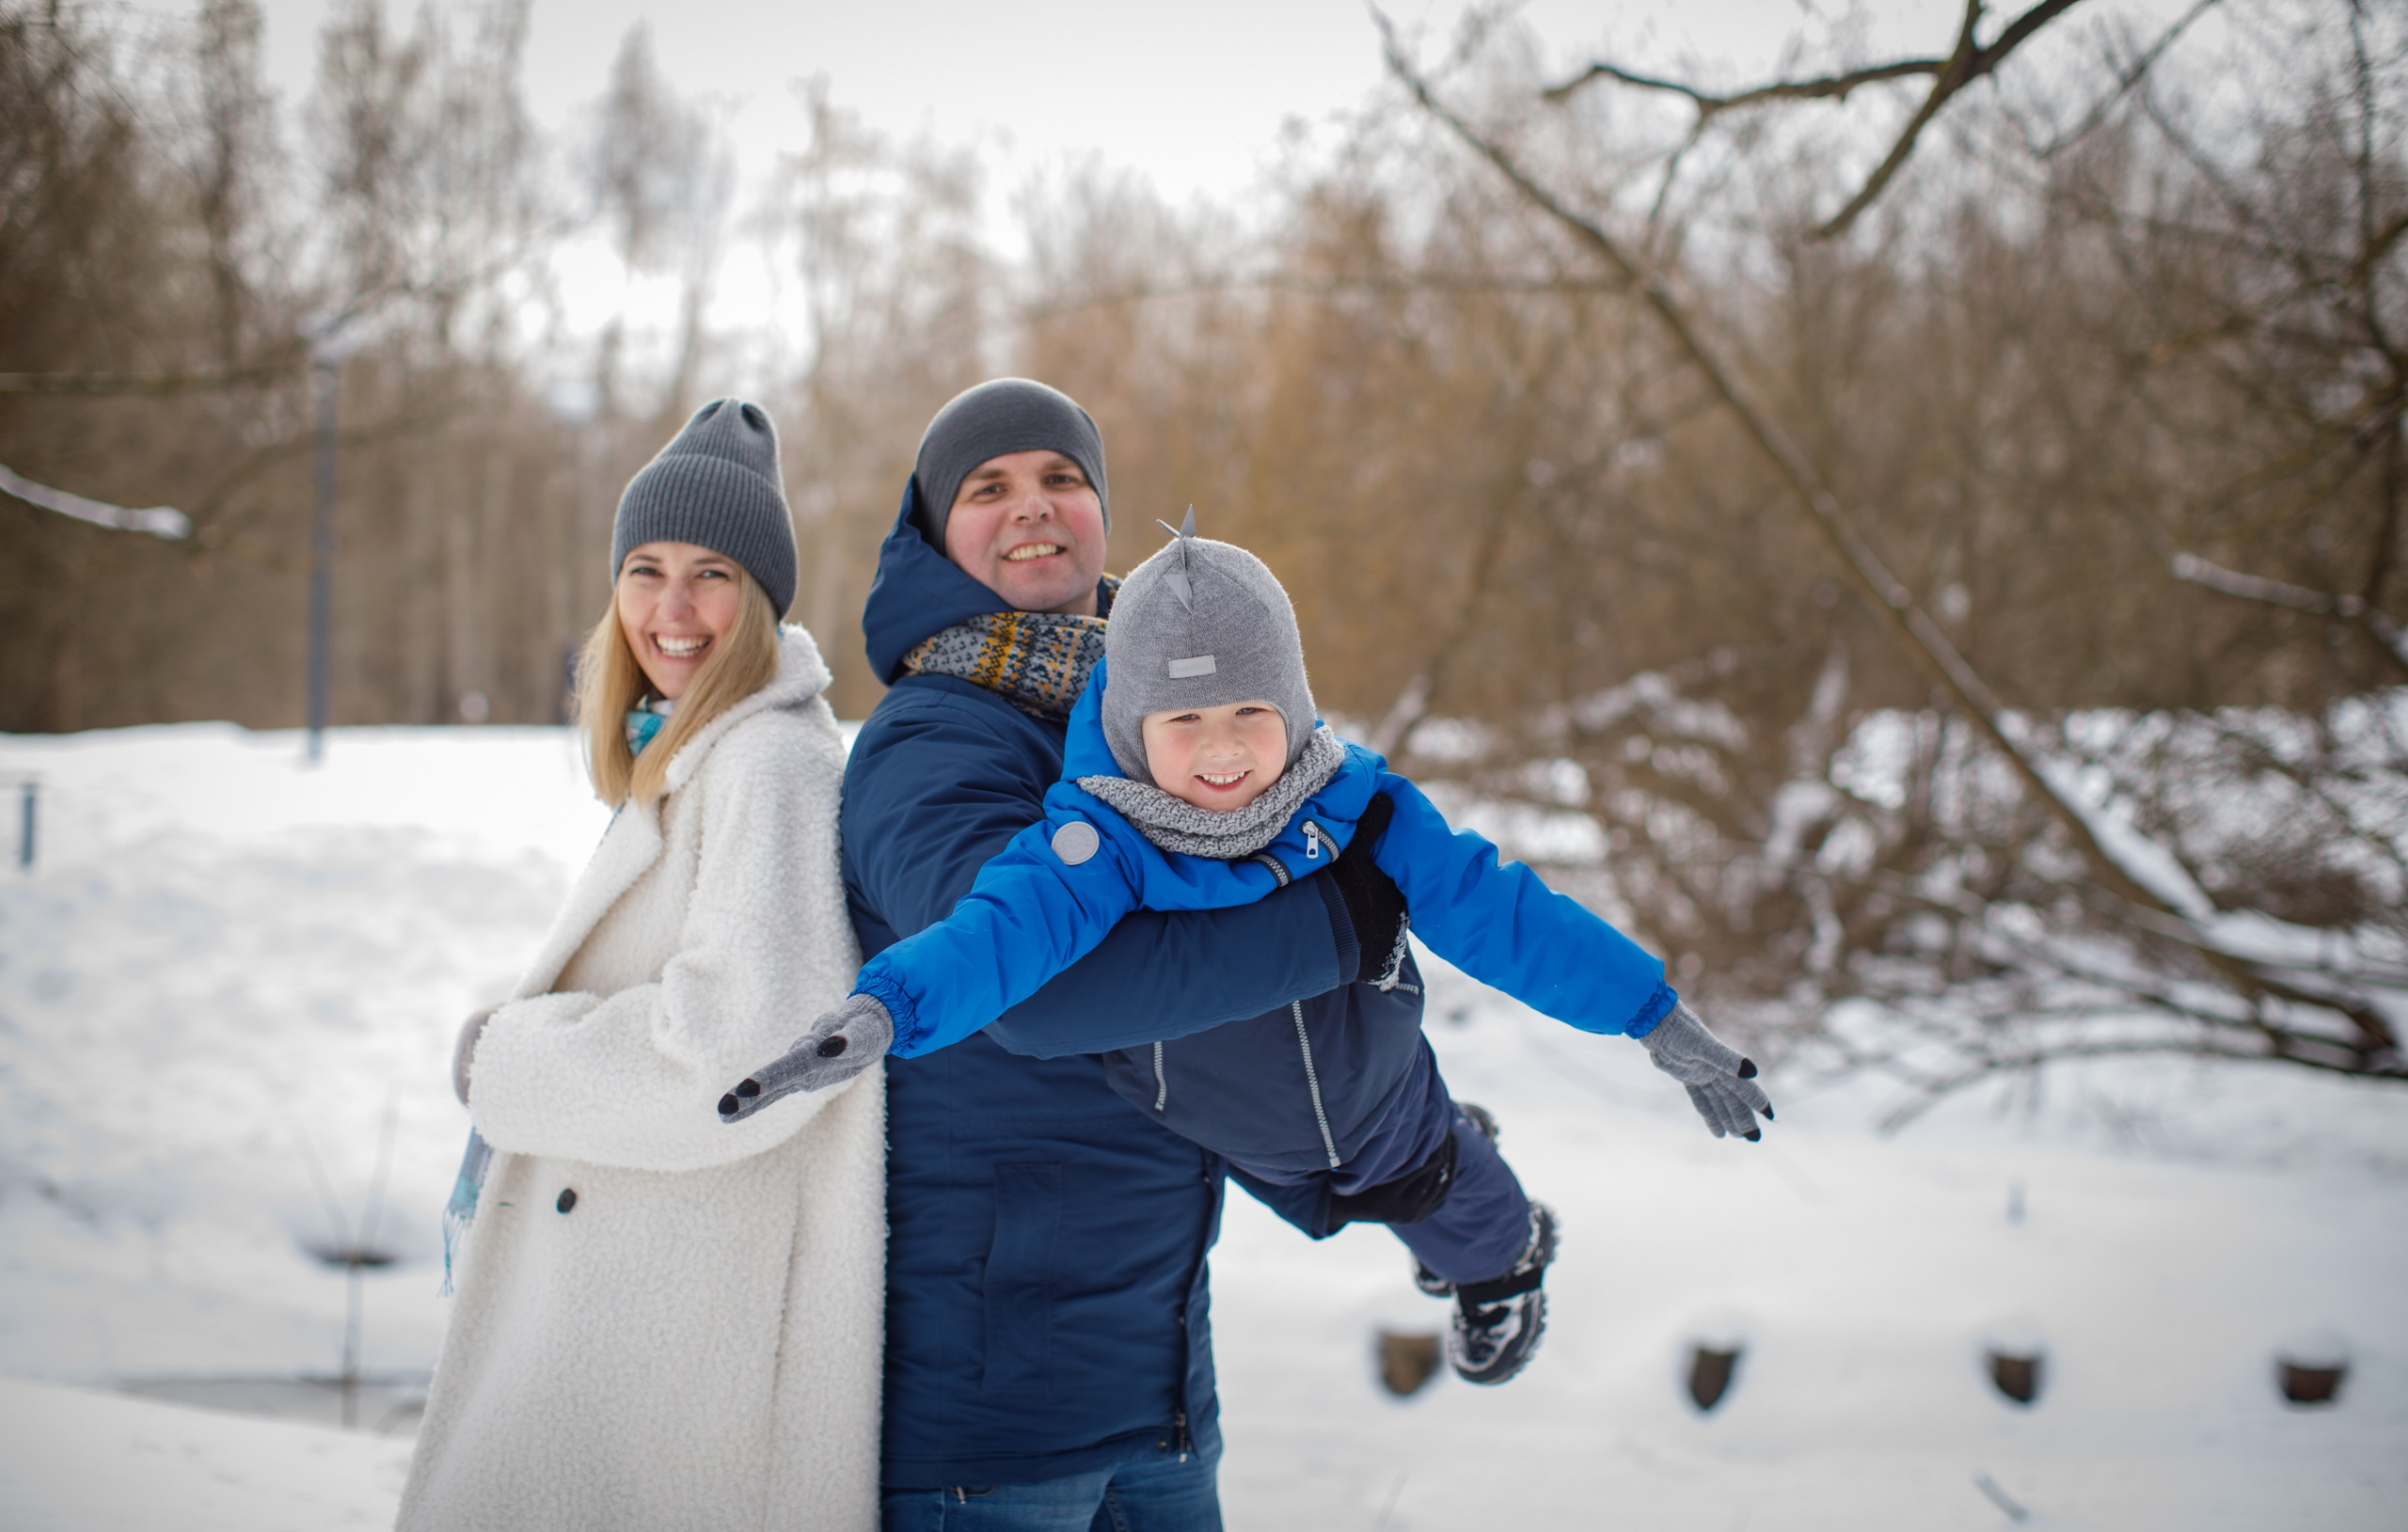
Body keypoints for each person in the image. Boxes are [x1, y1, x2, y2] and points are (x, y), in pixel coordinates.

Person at [728, 517, 1774, 1386]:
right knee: (1330, 1192)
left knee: (1421, 1188)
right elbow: (999, 934)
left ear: (1297, 705)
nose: (1222, 751)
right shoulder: (1097, 837)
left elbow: (1505, 915)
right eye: (1183, 719)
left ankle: (1508, 1254)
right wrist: (889, 1009)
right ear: (1136, 725)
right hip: (1219, 1121)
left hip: (1367, 1091)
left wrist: (1650, 1013)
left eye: (1249, 713)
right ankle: (1461, 1169)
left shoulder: (1361, 812)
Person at [835, 378, 1414, 1531]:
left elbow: (1229, 1009)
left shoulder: (1150, 724)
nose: (1032, 507)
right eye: (988, 489)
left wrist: (1405, 1153)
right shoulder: (933, 738)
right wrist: (1336, 926)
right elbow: (1036, 998)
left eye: (1063, 479)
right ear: (936, 533)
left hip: (1157, 1377)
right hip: (992, 1415)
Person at [398, 400, 883, 1532]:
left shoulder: (765, 762)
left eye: (711, 573)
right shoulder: (686, 752)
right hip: (644, 1292)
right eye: (646, 570)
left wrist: (509, 1063)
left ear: (760, 599)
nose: (672, 609)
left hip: (681, 1330)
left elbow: (742, 1056)